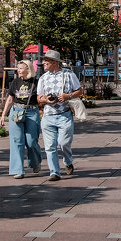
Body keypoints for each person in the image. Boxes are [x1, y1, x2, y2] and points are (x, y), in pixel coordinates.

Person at [37, 50, 84, 181]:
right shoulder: (43, 78)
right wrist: (45, 100)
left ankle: (68, 161)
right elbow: (38, 97)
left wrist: (67, 96)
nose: (43, 62)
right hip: (48, 116)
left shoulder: (68, 74)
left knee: (64, 143)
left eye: (46, 60)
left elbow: (80, 91)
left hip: (64, 115)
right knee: (50, 147)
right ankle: (54, 172)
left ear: (54, 62)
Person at [0, 60, 42, 179]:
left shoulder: (36, 82)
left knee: (31, 141)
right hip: (16, 112)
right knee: (17, 140)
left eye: (21, 68)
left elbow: (41, 99)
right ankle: (18, 169)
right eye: (18, 68)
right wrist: (4, 115)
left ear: (28, 69)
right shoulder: (15, 82)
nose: (18, 70)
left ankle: (35, 162)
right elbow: (10, 98)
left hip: (32, 112)